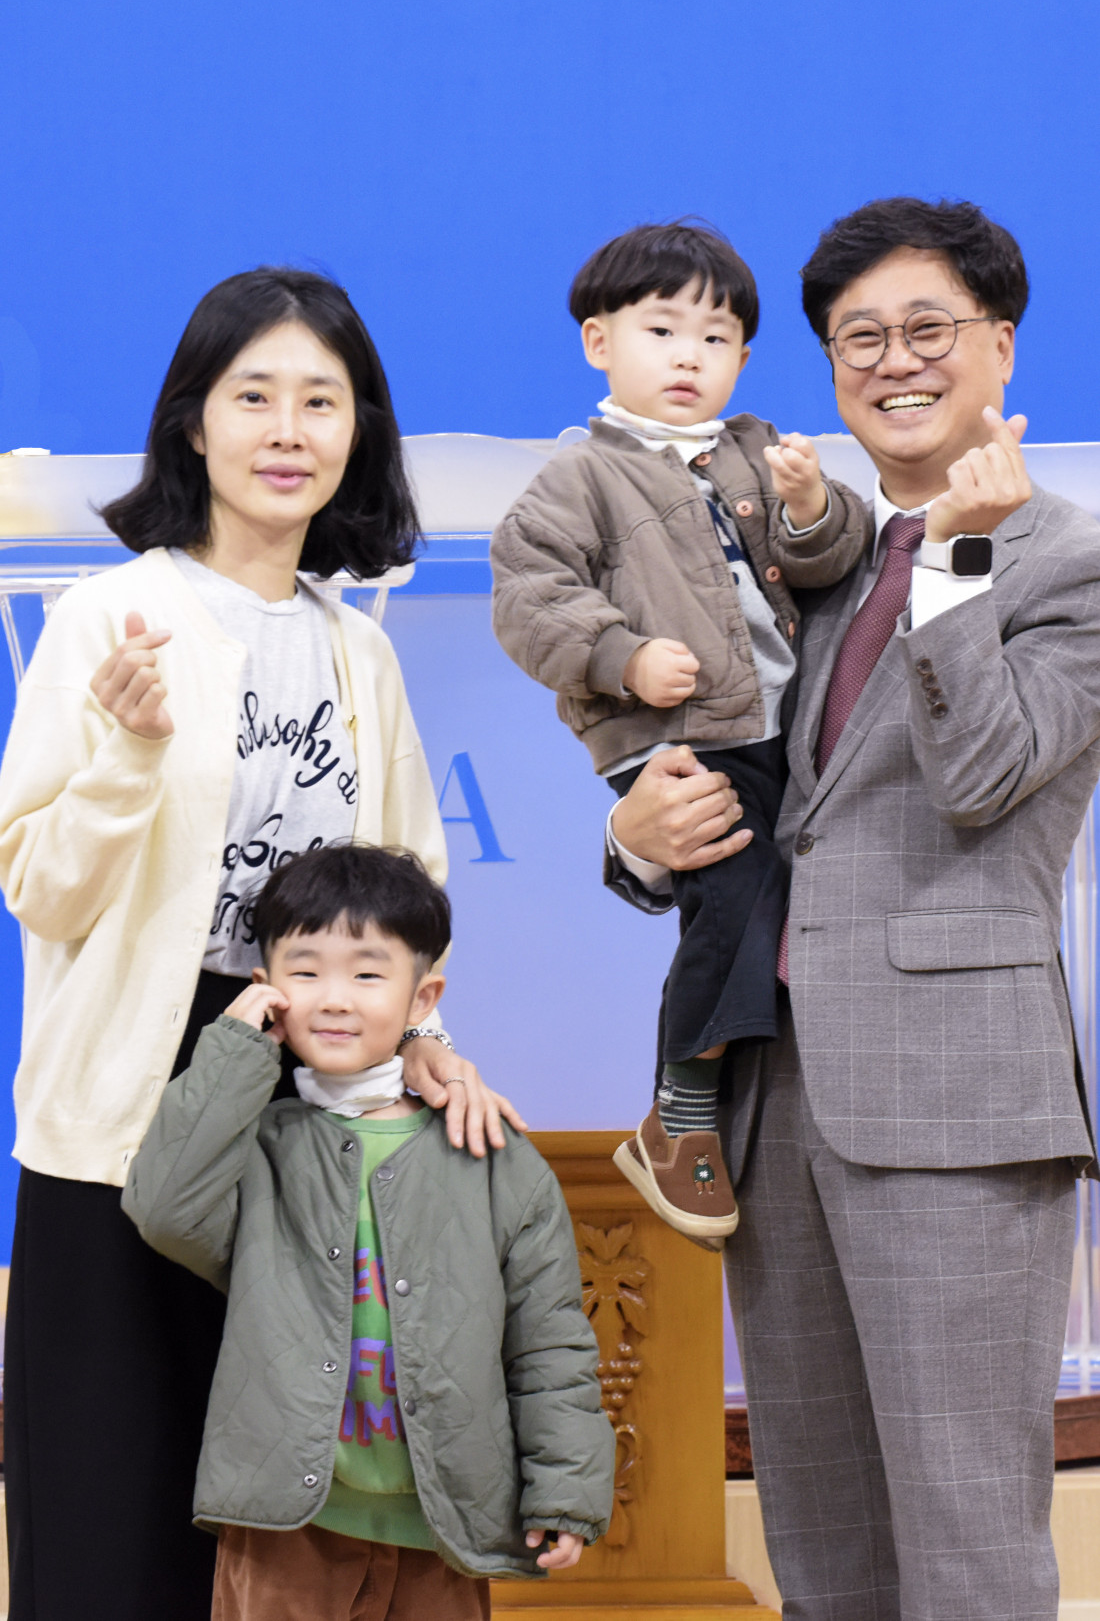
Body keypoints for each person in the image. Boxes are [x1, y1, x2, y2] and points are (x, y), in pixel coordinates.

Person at [0, 268, 523, 1621]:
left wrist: (426, 1040)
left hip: (309, 1096)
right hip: (129, 1096)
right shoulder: (107, 619)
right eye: (254, 396)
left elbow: (405, 888)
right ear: (193, 421)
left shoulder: (360, 655)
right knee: (111, 1497)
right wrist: (127, 755)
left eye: (321, 401)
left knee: (287, 1513)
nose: (288, 429)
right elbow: (40, 889)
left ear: (359, 431)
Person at [607, 198, 1100, 1620]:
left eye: (927, 328)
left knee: (962, 1531)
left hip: (955, 1104)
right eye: (857, 338)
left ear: (1000, 346)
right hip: (774, 1100)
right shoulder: (803, 562)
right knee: (818, 1535)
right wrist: (639, 840)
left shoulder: (1067, 560)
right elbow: (763, 798)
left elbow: (983, 772)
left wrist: (953, 560)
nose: (894, 361)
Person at [491, 220, 870, 1245]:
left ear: (743, 358)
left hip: (779, 730)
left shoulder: (755, 449)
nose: (688, 356)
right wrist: (620, 656)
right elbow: (527, 598)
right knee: (734, 893)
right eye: (661, 330)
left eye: (715, 338)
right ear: (598, 342)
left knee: (787, 900)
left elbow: (833, 564)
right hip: (677, 741)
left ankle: (735, 1100)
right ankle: (680, 1107)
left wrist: (811, 509)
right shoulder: (579, 478)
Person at [123, 842, 614, 1621]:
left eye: (367, 973)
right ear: (266, 988)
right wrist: (234, 1048)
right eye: (305, 971)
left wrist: (566, 1487)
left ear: (424, 998)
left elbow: (549, 1342)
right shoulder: (260, 1147)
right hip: (285, 1526)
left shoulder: (492, 1156)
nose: (334, 998)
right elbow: (164, 1208)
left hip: (442, 1529)